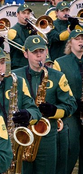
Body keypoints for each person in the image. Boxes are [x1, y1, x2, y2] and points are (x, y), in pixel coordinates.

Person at [13, 35, 77, 174]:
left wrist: (54, 111)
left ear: (47, 51)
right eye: (34, 52)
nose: (39, 56)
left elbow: (71, 104)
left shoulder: (58, 76)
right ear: (25, 54)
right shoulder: (15, 76)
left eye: (41, 51)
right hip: (23, 135)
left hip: (47, 136)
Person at [0, 45, 42, 129]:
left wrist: (28, 114)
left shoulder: (18, 82)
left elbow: (35, 111)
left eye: (2, 62)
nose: (0, 68)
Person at [53, 29, 83, 174]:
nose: (81, 42)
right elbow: (55, 91)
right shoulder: (60, 63)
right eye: (77, 39)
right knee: (70, 149)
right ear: (70, 42)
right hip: (70, 114)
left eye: (82, 39)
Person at [7, 4, 37, 70]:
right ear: (17, 14)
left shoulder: (30, 29)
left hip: (31, 64)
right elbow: (23, 48)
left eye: (28, 13)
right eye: (23, 13)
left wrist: (36, 33)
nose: (26, 15)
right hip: (18, 66)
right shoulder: (12, 31)